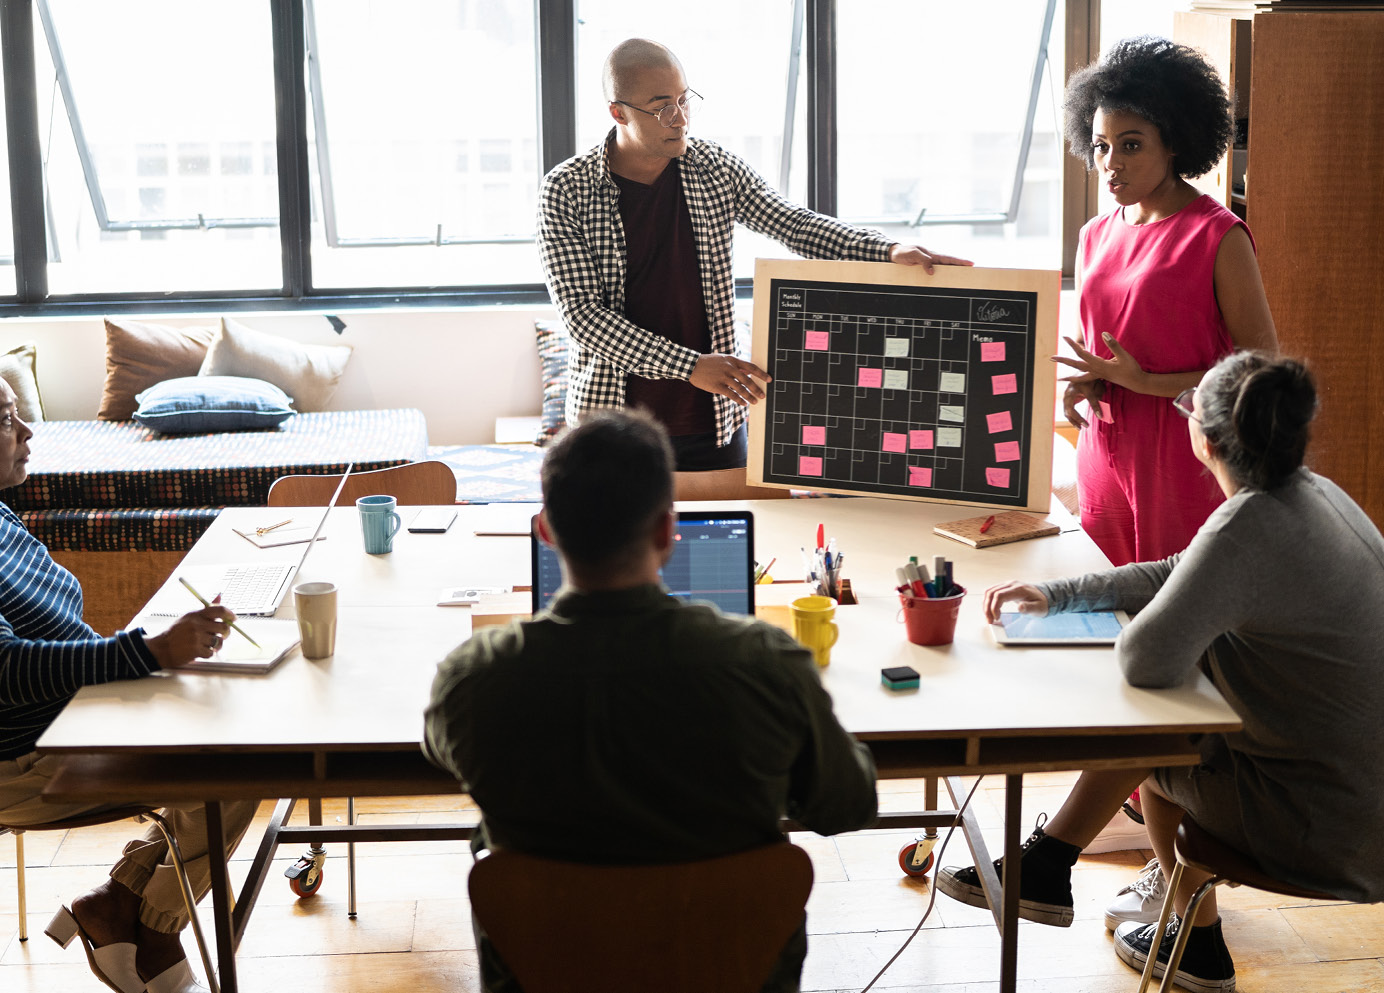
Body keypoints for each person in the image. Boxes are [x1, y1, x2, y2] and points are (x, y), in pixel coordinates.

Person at [938, 352, 1384, 993]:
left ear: (1202, 437)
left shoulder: (1249, 524)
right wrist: (1059, 595)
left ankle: (1062, 869)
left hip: (1323, 831)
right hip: (1360, 803)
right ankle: (1161, 924)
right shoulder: (1310, 494)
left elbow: (1145, 659)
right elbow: (1184, 566)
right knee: (1176, 730)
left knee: (1156, 740)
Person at [424, 408, 878, 993]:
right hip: (732, 973)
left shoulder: (474, 678)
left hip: (550, 971)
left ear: (545, 530)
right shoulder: (764, 662)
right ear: (668, 530)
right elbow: (846, 805)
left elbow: (442, 756)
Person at [0, 311, 257, 993]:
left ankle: (118, 908)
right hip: (19, 759)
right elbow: (1, 668)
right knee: (242, 760)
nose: (28, 433)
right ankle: (151, 925)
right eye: (6, 421)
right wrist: (145, 653)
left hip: (66, 718)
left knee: (240, 716)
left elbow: (43, 632)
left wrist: (146, 659)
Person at [537, 38, 970, 472]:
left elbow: (793, 223)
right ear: (619, 113)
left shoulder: (715, 168)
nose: (681, 119)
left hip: (717, 419)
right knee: (615, 541)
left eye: (686, 100)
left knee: (729, 537)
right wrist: (690, 366)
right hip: (613, 426)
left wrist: (888, 250)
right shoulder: (566, 191)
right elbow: (584, 318)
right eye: (662, 106)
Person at [1059, 36, 1278, 568]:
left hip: (1183, 454)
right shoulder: (1093, 234)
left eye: (1131, 145)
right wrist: (1089, 381)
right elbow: (1110, 341)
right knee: (1099, 611)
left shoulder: (1217, 236)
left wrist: (1148, 383)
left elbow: (1261, 371)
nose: (1110, 164)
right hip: (1103, 447)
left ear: (1174, 142)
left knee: (1175, 615)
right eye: (1101, 145)